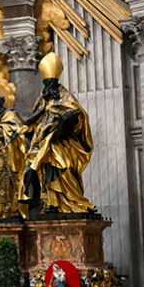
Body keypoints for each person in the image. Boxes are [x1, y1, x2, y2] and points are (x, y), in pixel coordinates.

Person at [22, 52, 96, 213]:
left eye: (52, 83)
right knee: (36, 171)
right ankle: (50, 203)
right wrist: (41, 111)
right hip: (42, 142)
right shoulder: (43, 99)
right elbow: (31, 121)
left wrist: (65, 121)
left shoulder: (66, 98)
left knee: (62, 167)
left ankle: (71, 202)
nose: (49, 87)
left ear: (56, 83)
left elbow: (80, 115)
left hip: (62, 143)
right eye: (46, 83)